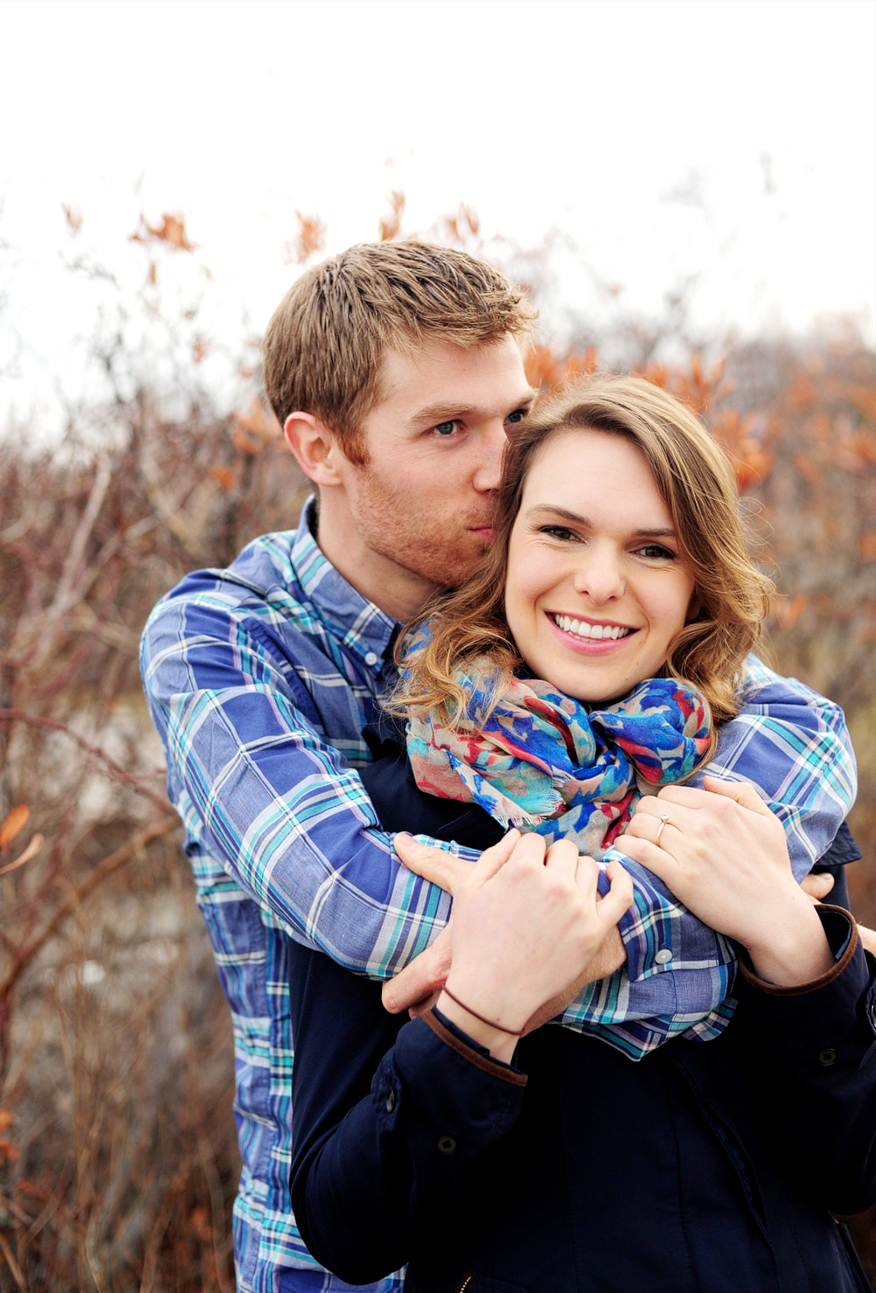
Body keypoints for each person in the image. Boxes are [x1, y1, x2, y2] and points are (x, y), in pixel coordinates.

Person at [139, 243, 858, 1293]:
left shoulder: (565, 615)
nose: (502, 464)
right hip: (340, 1242)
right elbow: (355, 899)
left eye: (515, 417)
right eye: (448, 430)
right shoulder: (227, 639)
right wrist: (764, 942)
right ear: (320, 446)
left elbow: (787, 715)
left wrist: (788, 938)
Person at [286, 376, 876, 1291]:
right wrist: (477, 1016)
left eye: (652, 548)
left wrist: (795, 946)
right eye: (561, 532)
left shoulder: (758, 792)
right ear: (503, 550)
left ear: (697, 584)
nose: (600, 581)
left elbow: (858, 1164)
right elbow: (346, 1222)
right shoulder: (393, 820)